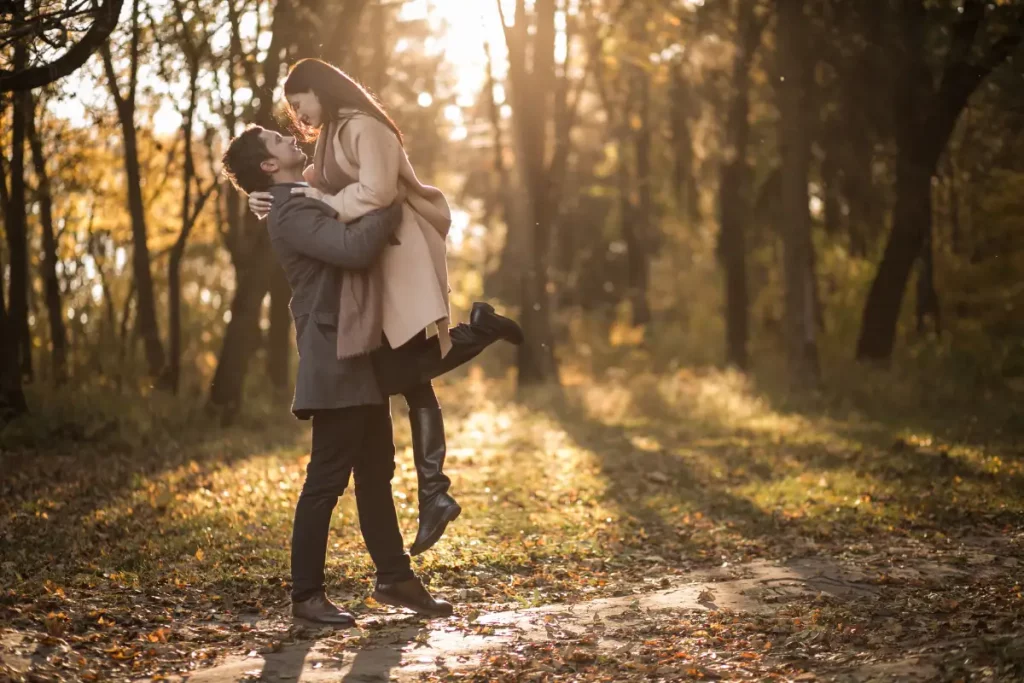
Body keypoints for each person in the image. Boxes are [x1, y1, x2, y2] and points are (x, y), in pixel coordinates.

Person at [222, 125, 520, 624]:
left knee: (376, 474)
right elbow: (352, 249)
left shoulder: (296, 197)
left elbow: (342, 190)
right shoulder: (291, 209)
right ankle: (306, 596)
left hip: (357, 348)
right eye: (278, 140)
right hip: (335, 356)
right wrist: (387, 202)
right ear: (269, 166)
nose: (290, 137)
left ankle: (395, 579)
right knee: (326, 480)